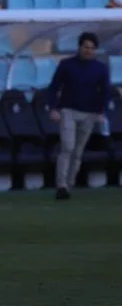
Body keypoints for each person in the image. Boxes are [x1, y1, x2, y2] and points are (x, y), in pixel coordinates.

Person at [48, 32, 110, 200]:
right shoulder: (66, 65)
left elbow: (105, 91)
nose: (88, 50)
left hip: (89, 113)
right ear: (80, 47)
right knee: (67, 146)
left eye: (92, 48)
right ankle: (61, 185)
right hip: (68, 110)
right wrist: (53, 108)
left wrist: (102, 111)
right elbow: (54, 86)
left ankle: (69, 184)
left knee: (78, 151)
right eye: (86, 47)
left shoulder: (100, 68)